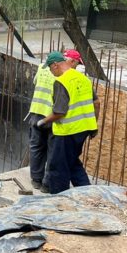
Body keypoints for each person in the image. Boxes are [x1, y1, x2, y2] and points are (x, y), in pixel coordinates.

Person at [38, 51, 99, 194]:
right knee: (72, 162)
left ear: (55, 65)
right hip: (84, 129)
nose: (51, 73)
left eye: (50, 69)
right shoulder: (82, 78)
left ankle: (60, 199)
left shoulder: (61, 81)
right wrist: (94, 124)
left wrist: (43, 121)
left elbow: (60, 112)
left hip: (68, 131)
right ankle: (87, 194)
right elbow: (96, 102)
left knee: (58, 167)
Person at [26, 56, 57, 193]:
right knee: (52, 149)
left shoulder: (40, 68)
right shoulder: (62, 75)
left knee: (36, 147)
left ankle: (36, 179)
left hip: (36, 112)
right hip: (52, 116)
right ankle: (46, 184)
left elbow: (35, 83)